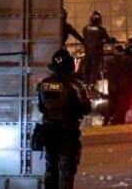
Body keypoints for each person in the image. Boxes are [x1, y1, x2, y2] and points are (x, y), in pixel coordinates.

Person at [36, 49, 91, 189]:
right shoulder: (76, 85)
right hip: (68, 133)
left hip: (49, 133)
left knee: (50, 168)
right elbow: (86, 109)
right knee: (67, 170)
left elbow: (41, 108)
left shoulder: (44, 84)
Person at [80, 11, 115, 84]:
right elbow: (107, 40)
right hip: (96, 53)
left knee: (86, 69)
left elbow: (85, 39)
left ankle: (85, 85)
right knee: (94, 70)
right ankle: (92, 86)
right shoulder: (101, 29)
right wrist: (105, 41)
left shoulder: (85, 28)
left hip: (87, 52)